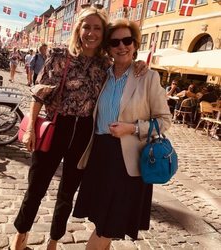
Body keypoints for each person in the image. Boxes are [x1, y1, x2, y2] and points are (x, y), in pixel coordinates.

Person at [10, 7, 147, 250]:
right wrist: (31, 127)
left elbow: (125, 68)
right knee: (36, 188)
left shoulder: (105, 64)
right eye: (87, 27)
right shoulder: (60, 55)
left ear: (103, 33)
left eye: (97, 28)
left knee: (66, 194)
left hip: (85, 134)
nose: (91, 33)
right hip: (56, 127)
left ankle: (53, 241)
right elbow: (39, 94)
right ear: (78, 29)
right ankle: (20, 238)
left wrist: (139, 65)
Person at [73, 18, 171, 249]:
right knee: (101, 222)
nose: (122, 46)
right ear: (108, 48)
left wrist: (133, 128)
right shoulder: (102, 75)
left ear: (135, 44)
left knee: (106, 226)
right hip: (100, 156)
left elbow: (164, 121)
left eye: (127, 40)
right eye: (115, 42)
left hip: (127, 162)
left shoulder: (148, 77)